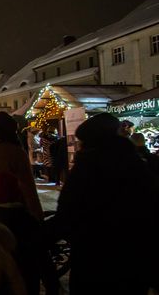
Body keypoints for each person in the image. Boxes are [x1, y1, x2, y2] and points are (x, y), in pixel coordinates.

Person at [52, 113, 159, 294]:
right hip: (132, 257)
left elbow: (66, 213)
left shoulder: (85, 167)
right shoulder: (135, 163)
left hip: (92, 257)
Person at [0, 112, 43, 295]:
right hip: (15, 210)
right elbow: (27, 186)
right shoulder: (15, 151)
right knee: (24, 259)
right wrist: (36, 214)